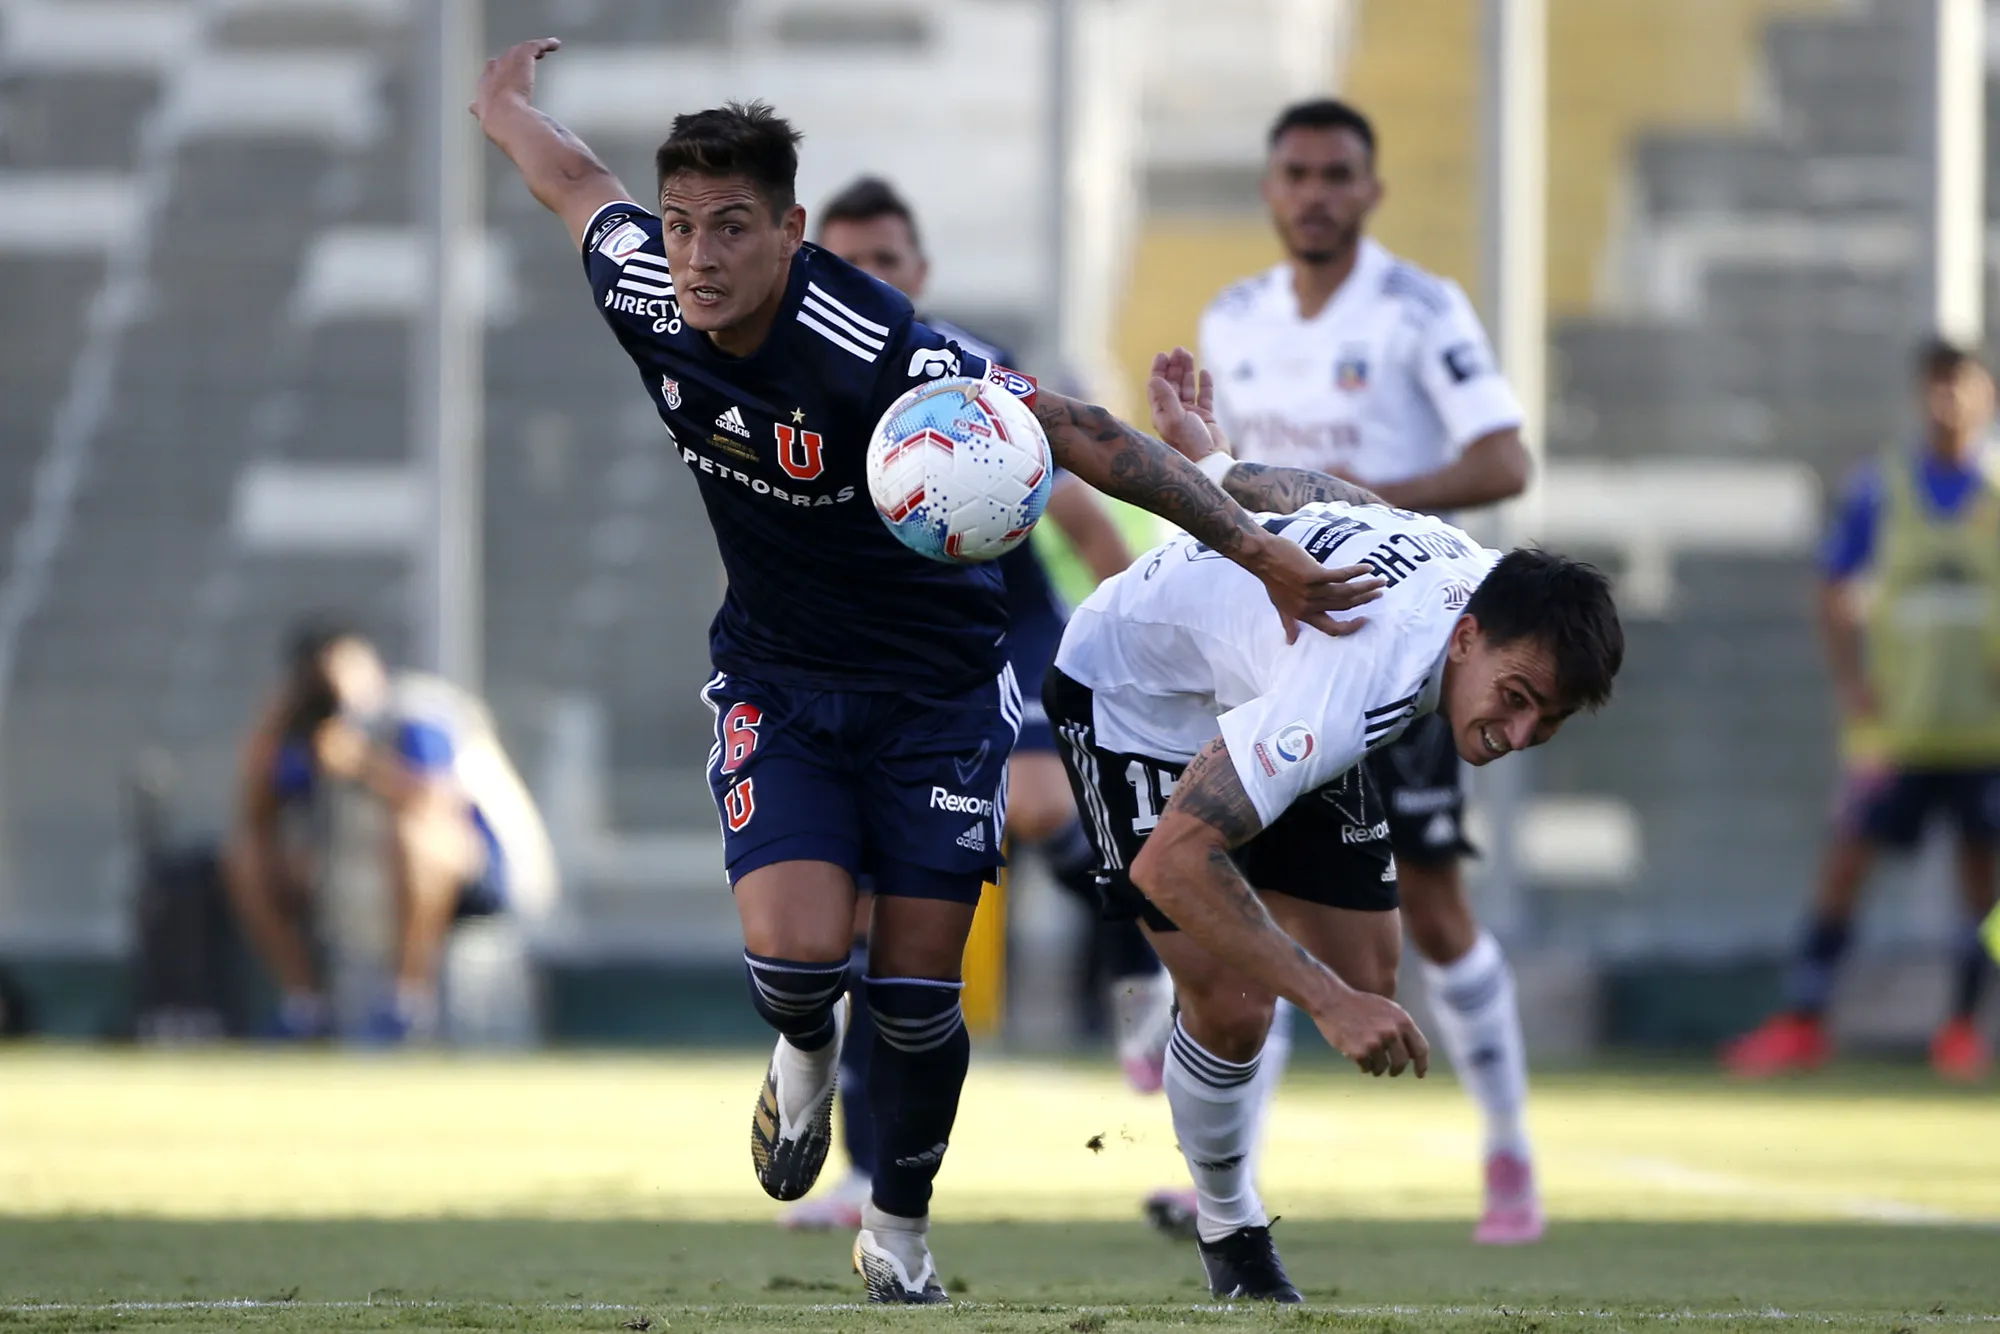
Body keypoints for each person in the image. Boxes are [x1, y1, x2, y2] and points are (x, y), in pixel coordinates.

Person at [471, 39, 1376, 1304]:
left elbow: (1074, 434)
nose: (697, 256)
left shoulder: (882, 346)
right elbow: (571, 179)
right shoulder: (646, 287)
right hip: (777, 681)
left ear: (790, 231)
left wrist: (1250, 546)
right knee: (797, 965)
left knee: (911, 995)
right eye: (679, 227)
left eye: (731, 227)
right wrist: (500, 104)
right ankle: (797, 1046)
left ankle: (897, 1230)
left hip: (936, 697)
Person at [1046, 350, 1622, 1300]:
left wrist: (1221, 467)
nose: (1520, 735)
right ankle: (1230, 1230)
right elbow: (1172, 865)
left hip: (1265, 687)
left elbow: (1333, 495)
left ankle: (1212, 989)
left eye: (1547, 721)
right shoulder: (1363, 678)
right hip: (1134, 695)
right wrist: (1325, 1005)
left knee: (1372, 973)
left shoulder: (1478, 578)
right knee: (1241, 1005)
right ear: (1469, 639)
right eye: (1517, 700)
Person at [1182, 96, 1542, 1246]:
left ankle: (1506, 1149)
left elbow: (1503, 457)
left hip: (1410, 647)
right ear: (1268, 189)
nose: (1315, 192)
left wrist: (1360, 506)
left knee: (1431, 913)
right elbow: (1222, 480)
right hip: (1279, 651)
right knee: (1265, 898)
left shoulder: (1417, 309)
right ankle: (1232, 1179)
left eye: (1337, 173)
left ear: (1370, 190)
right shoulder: (1229, 319)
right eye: (1295, 173)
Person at [779, 176, 1168, 1232]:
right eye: (846, 261)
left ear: (919, 274)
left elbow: (1086, 524)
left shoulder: (957, 375)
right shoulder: (789, 378)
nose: (868, 279)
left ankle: (1146, 1004)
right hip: (874, 657)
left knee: (1040, 801)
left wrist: (1124, 652)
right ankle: (863, 1171)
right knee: (865, 912)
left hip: (1007, 628)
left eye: (887, 262)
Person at [1723, 339, 2000, 1081]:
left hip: (1986, 730)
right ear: (1920, 396)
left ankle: (1966, 1027)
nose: (1948, 402)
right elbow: (1833, 585)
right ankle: (1804, 1019)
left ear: (1987, 399)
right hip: (1898, 727)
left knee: (1988, 885)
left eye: (1961, 388)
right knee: (1845, 865)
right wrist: (1850, 679)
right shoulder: (1884, 487)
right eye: (1936, 387)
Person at [224, 621, 557, 1042]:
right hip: (356, 878)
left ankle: (406, 1003)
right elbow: (255, 814)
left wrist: (363, 766)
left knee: (414, 834)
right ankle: (305, 1007)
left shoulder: (413, 710)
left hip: (470, 875)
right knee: (249, 856)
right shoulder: (315, 730)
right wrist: (273, 726)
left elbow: (437, 801)